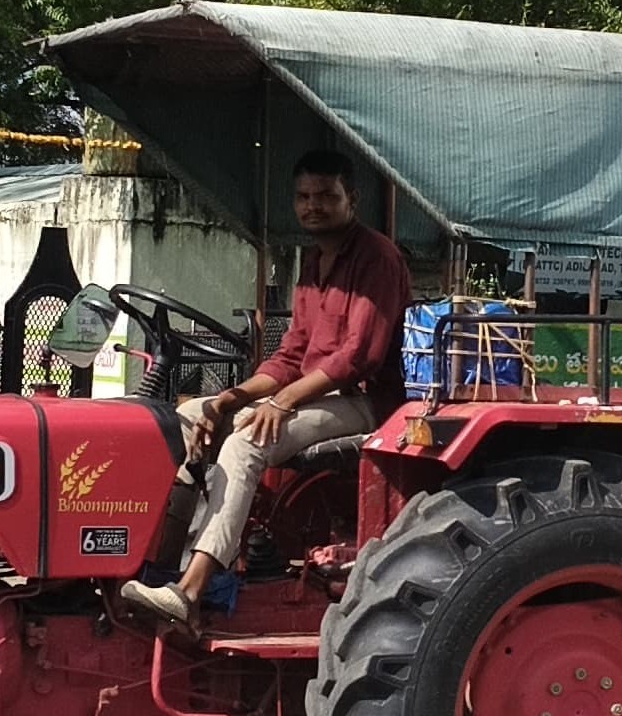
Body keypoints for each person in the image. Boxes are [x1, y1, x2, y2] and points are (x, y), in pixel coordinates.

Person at [120, 148, 411, 628]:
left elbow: (358, 357)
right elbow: (290, 356)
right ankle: (155, 566)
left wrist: (282, 401)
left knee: (247, 442)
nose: (312, 205)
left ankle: (188, 592)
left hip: (368, 400)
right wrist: (229, 399)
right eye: (303, 197)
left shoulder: (377, 257)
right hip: (317, 392)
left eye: (325, 196)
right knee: (188, 420)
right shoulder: (314, 265)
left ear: (351, 199)